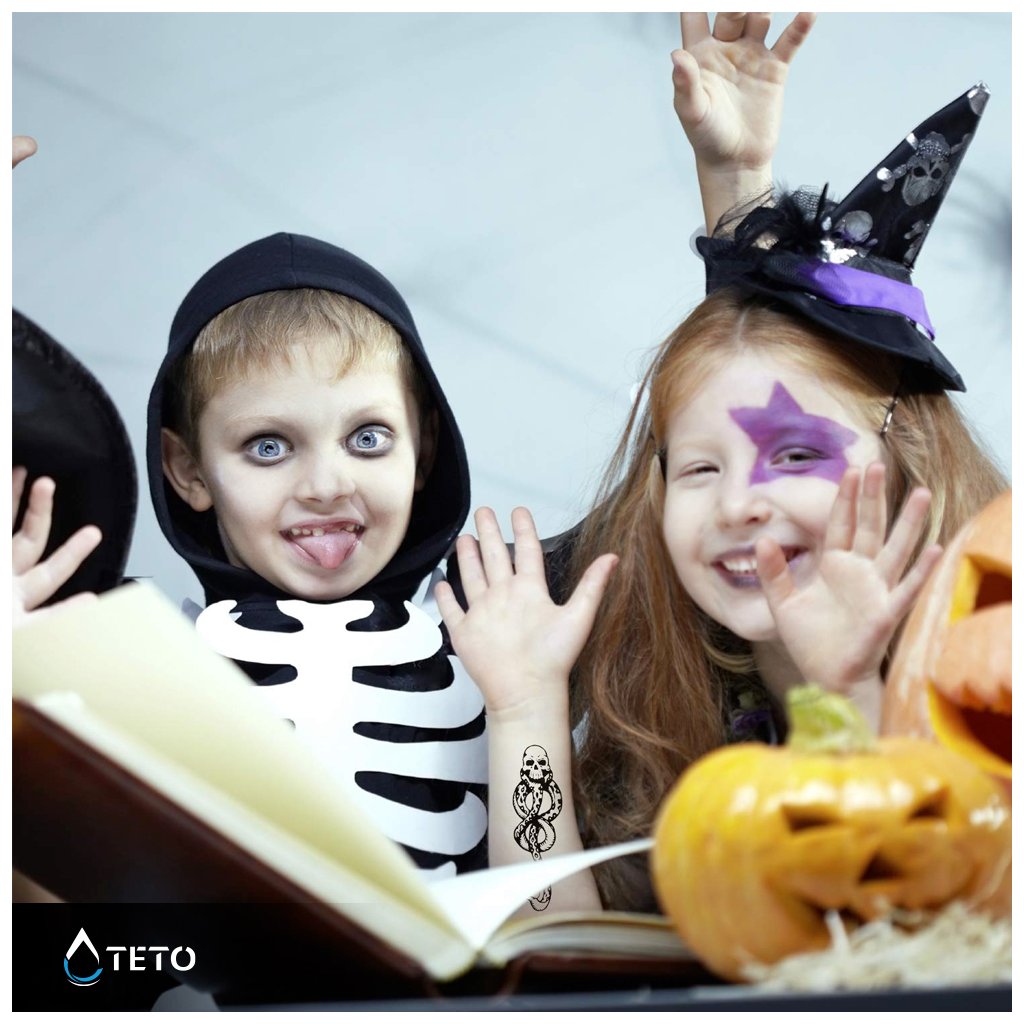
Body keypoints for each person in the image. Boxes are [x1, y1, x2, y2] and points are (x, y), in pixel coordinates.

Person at [436, 67, 1005, 913]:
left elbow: (919, 944)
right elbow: (550, 936)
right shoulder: (676, 682)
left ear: (906, 459)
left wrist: (846, 696)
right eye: (700, 470)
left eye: (797, 456)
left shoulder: (992, 666)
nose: (737, 504)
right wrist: (524, 711)